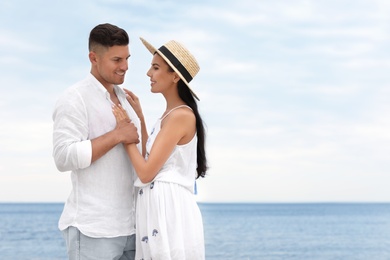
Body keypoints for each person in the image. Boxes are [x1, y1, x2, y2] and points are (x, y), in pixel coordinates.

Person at [112, 37, 207, 259]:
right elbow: (149, 155)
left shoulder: (181, 116)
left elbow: (145, 173)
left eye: (155, 68)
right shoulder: (170, 115)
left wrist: (125, 133)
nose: (148, 73)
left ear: (175, 76)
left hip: (168, 210)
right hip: (160, 207)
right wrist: (141, 119)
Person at [52, 23, 141, 260]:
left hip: (132, 229)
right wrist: (117, 135)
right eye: (116, 60)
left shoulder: (127, 100)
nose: (125, 67)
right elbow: (63, 157)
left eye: (127, 58)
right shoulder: (75, 98)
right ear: (94, 58)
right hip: (93, 230)